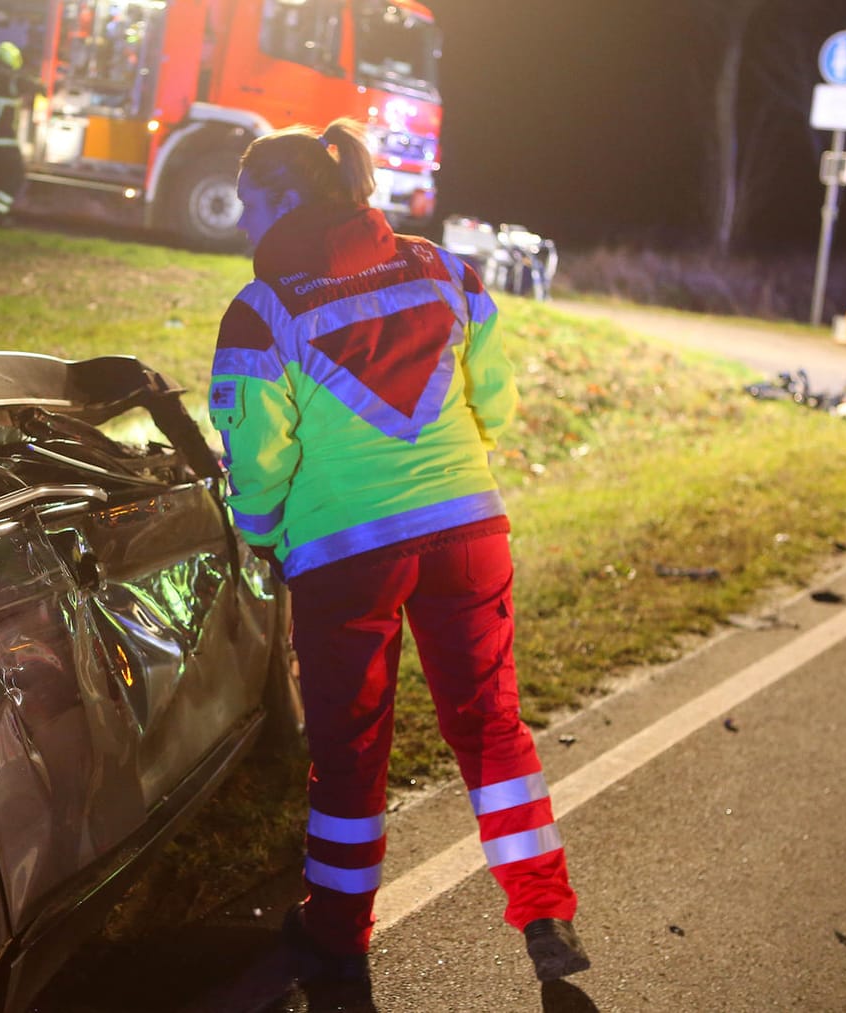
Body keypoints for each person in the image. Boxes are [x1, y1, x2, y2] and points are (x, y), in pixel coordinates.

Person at [208, 118, 588, 994]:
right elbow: (497, 397)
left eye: (250, 205)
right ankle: (544, 911)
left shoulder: (262, 311)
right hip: (469, 535)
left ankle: (337, 940)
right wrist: (457, 474)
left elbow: (259, 458)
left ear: (289, 200)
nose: (242, 226)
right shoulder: (443, 268)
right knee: (492, 730)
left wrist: (263, 534)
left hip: (346, 558)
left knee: (350, 753)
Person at [0, 42, 43, 225]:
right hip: (3, 142)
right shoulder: (6, 84)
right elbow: (23, 84)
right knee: (15, 177)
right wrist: (41, 87)